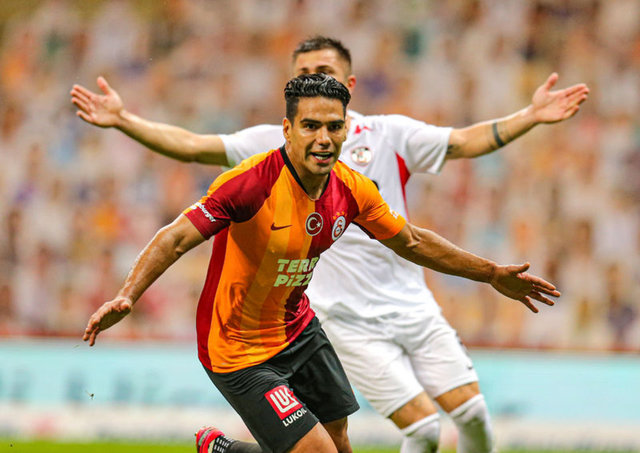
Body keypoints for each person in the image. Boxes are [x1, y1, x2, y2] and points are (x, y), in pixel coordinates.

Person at [72, 37, 585, 453]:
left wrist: (491, 273)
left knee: (340, 445)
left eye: (333, 127)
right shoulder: (250, 182)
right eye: (311, 126)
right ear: (288, 128)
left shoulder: (353, 184)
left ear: (347, 122)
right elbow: (176, 235)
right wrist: (128, 295)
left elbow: (412, 241)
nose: (323, 138)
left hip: (300, 329)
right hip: (238, 346)